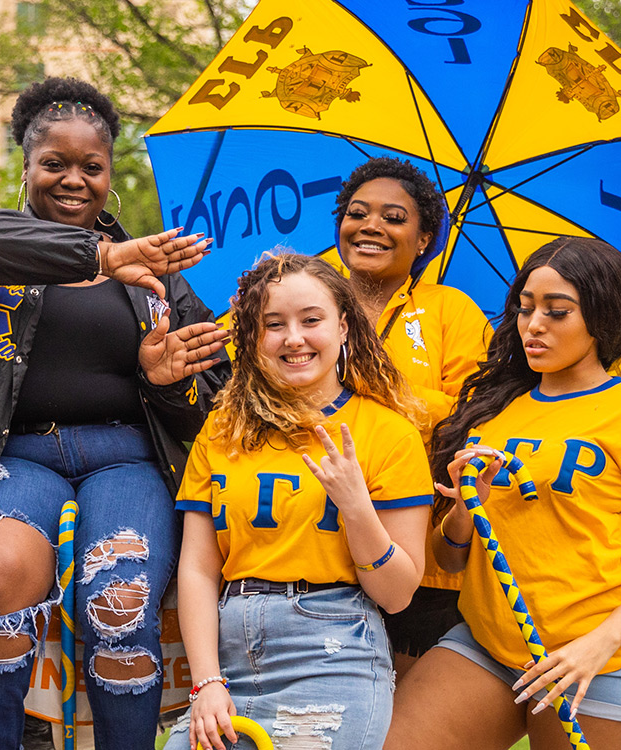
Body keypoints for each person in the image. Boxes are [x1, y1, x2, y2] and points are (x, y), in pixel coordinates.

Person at [0, 76, 228, 750]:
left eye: (91, 166)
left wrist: (164, 382)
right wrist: (102, 254)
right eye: (53, 163)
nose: (73, 180)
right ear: (26, 167)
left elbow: (206, 404)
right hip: (17, 457)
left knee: (117, 597)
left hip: (124, 458)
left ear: (109, 175)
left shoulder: (161, 276)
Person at [385, 238, 621, 750]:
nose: (533, 325)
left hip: (600, 658)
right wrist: (467, 511)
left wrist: (596, 646)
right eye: (525, 309)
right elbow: (449, 555)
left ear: (602, 318)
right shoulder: (491, 413)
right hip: (489, 644)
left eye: (558, 312)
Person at [168, 253, 433, 750]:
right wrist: (205, 683)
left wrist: (356, 506)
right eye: (274, 324)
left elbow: (396, 594)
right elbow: (199, 570)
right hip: (226, 658)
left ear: (344, 328)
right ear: (252, 337)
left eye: (311, 320)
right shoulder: (223, 431)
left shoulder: (388, 434)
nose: (293, 338)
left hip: (332, 655)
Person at [329, 157, 494, 669]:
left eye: (394, 218)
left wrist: (373, 387)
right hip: (317, 552)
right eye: (357, 213)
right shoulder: (304, 307)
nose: (371, 226)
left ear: (424, 239)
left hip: (421, 561)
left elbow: (471, 418)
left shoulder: (452, 311)